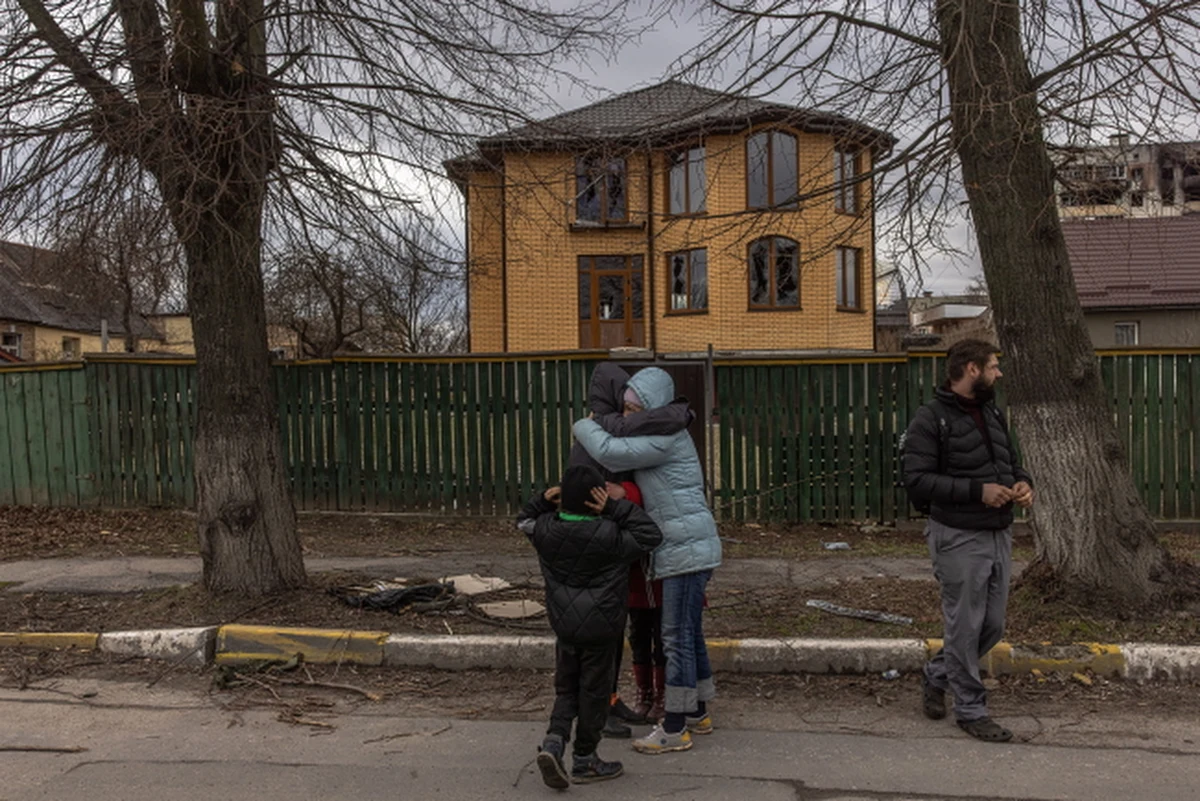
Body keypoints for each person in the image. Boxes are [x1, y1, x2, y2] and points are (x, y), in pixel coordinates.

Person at [573, 366, 721, 755]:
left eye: (634, 408)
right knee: (689, 635)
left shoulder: (664, 437)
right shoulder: (664, 433)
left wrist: (583, 425)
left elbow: (609, 451)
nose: (626, 415)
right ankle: (698, 713)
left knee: (675, 639)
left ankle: (673, 728)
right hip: (688, 546)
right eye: (624, 407)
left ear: (652, 407)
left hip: (684, 548)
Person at [902, 339, 1034, 743]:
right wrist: (978, 491)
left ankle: (937, 674)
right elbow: (917, 480)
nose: (998, 373)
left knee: (991, 625)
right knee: (964, 625)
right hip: (958, 536)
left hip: (997, 532)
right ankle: (971, 709)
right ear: (972, 369)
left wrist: (1022, 482)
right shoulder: (930, 419)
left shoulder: (991, 411)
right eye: (993, 366)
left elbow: (1008, 461)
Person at [517, 464, 663, 787]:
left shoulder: (546, 530)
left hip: (565, 627)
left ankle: (555, 741)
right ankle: (584, 759)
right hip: (603, 630)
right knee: (594, 693)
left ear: (562, 498)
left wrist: (543, 500)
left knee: (566, 688)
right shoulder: (611, 536)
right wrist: (614, 507)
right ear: (596, 498)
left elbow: (523, 520)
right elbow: (651, 534)